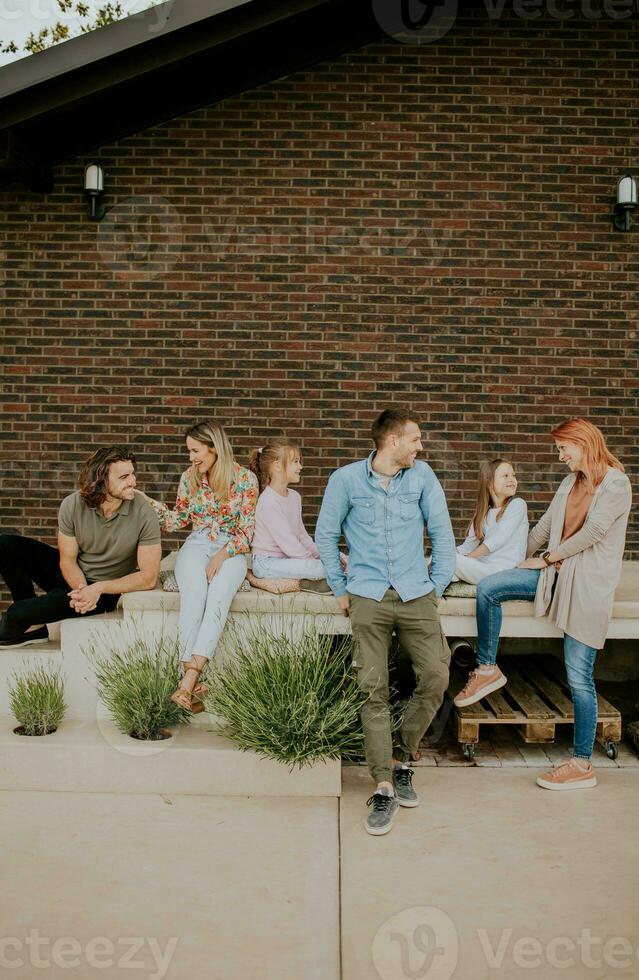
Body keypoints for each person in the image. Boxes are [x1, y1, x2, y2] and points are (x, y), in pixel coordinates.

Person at [454, 418, 632, 791]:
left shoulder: (616, 483)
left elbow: (595, 532)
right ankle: (487, 668)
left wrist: (547, 559)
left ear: (582, 443)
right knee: (491, 586)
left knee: (578, 676)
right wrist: (518, 558)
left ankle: (581, 764)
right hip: (554, 576)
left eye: (563, 448)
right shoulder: (570, 483)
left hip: (585, 587)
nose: (561, 455)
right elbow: (544, 528)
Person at [316, 408, 456, 836]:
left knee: (436, 674)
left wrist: (437, 585)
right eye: (414, 439)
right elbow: (326, 534)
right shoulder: (345, 480)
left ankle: (400, 757)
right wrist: (341, 588)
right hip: (368, 596)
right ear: (392, 442)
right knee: (371, 686)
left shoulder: (422, 476)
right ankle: (382, 784)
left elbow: (443, 533)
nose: (420, 446)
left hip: (416, 594)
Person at [137, 421, 258, 713]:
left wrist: (221, 556)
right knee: (194, 595)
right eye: (189, 451)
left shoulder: (245, 479)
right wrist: (147, 503)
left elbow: (248, 531)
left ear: (214, 447)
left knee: (218, 596)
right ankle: (194, 685)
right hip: (196, 543)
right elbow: (178, 521)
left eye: (195, 450)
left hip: (232, 548)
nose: (191, 457)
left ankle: (188, 681)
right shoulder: (189, 478)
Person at [0, 446, 161, 647]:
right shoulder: (72, 504)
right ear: (102, 481)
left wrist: (96, 589)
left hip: (103, 594)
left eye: (133, 474)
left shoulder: (144, 513)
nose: (133, 482)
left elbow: (149, 577)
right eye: (124, 477)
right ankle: (33, 626)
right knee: (4, 544)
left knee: (15, 614)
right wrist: (82, 590)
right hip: (73, 578)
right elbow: (67, 560)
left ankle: (25, 618)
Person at [249, 439, 339, 593]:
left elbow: (302, 537)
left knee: (339, 559)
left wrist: (326, 555)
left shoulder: (295, 497)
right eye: (295, 462)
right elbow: (290, 544)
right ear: (277, 465)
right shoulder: (269, 501)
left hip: (289, 559)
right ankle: (319, 580)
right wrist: (315, 561)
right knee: (323, 568)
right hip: (267, 563)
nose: (300, 466)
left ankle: (316, 580)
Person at [454, 458, 528, 585]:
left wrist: (466, 559)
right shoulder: (485, 513)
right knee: (441, 558)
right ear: (489, 483)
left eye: (513, 475)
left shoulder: (517, 505)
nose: (512, 479)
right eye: (505, 476)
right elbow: (468, 545)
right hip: (484, 567)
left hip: (504, 571)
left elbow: (496, 541)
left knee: (449, 562)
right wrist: (452, 552)